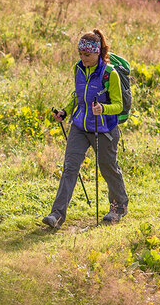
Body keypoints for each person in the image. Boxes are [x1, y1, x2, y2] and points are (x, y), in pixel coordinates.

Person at [43, 29, 129, 228]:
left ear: (97, 52)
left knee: (108, 168)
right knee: (70, 168)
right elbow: (77, 96)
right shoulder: (79, 68)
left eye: (87, 55)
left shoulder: (110, 74)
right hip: (80, 127)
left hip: (104, 128)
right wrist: (65, 111)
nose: (83, 58)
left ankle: (118, 207)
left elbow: (119, 105)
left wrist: (103, 108)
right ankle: (56, 215)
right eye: (80, 54)